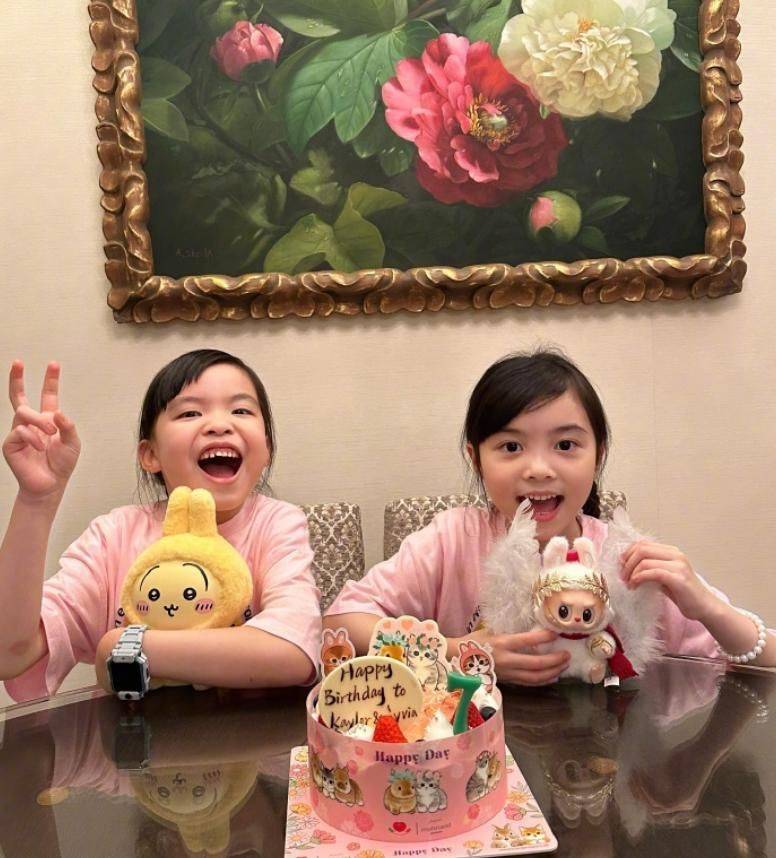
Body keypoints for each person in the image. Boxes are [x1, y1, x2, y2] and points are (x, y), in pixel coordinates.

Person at [324, 350, 776, 684]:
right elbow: (341, 621)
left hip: (602, 764)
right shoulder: (453, 539)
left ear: (599, 454)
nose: (539, 468)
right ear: (476, 459)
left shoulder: (625, 558)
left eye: (565, 445)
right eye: (511, 446)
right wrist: (458, 651)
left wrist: (704, 604)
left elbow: (764, 657)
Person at [0, 349, 321, 700]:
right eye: (190, 412)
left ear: (267, 448)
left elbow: (293, 651)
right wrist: (37, 501)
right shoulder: (114, 537)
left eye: (241, 410)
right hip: (134, 736)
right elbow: (9, 654)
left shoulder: (277, 524)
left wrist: (122, 648)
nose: (219, 424)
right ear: (150, 454)